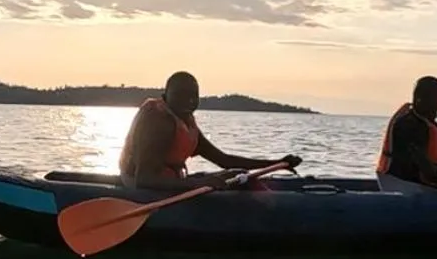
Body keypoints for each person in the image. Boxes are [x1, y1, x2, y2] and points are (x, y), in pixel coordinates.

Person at [118, 71, 301, 190]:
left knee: (236, 173)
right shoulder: (158, 123)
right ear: (165, 96)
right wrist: (198, 184)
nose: (189, 101)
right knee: (229, 177)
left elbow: (224, 160)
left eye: (193, 96)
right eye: (180, 95)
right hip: (141, 188)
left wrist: (278, 162)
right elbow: (144, 180)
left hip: (169, 182)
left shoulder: (185, 122)